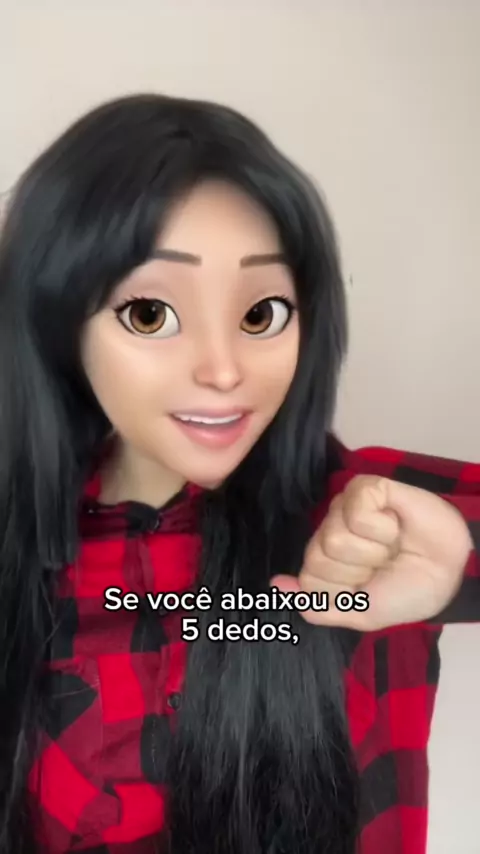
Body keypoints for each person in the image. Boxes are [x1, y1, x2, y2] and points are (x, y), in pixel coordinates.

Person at [0, 93, 478, 854]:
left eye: (262, 315)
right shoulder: (22, 550)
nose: (224, 371)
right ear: (58, 324)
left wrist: (456, 560)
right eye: (150, 315)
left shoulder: (368, 520)